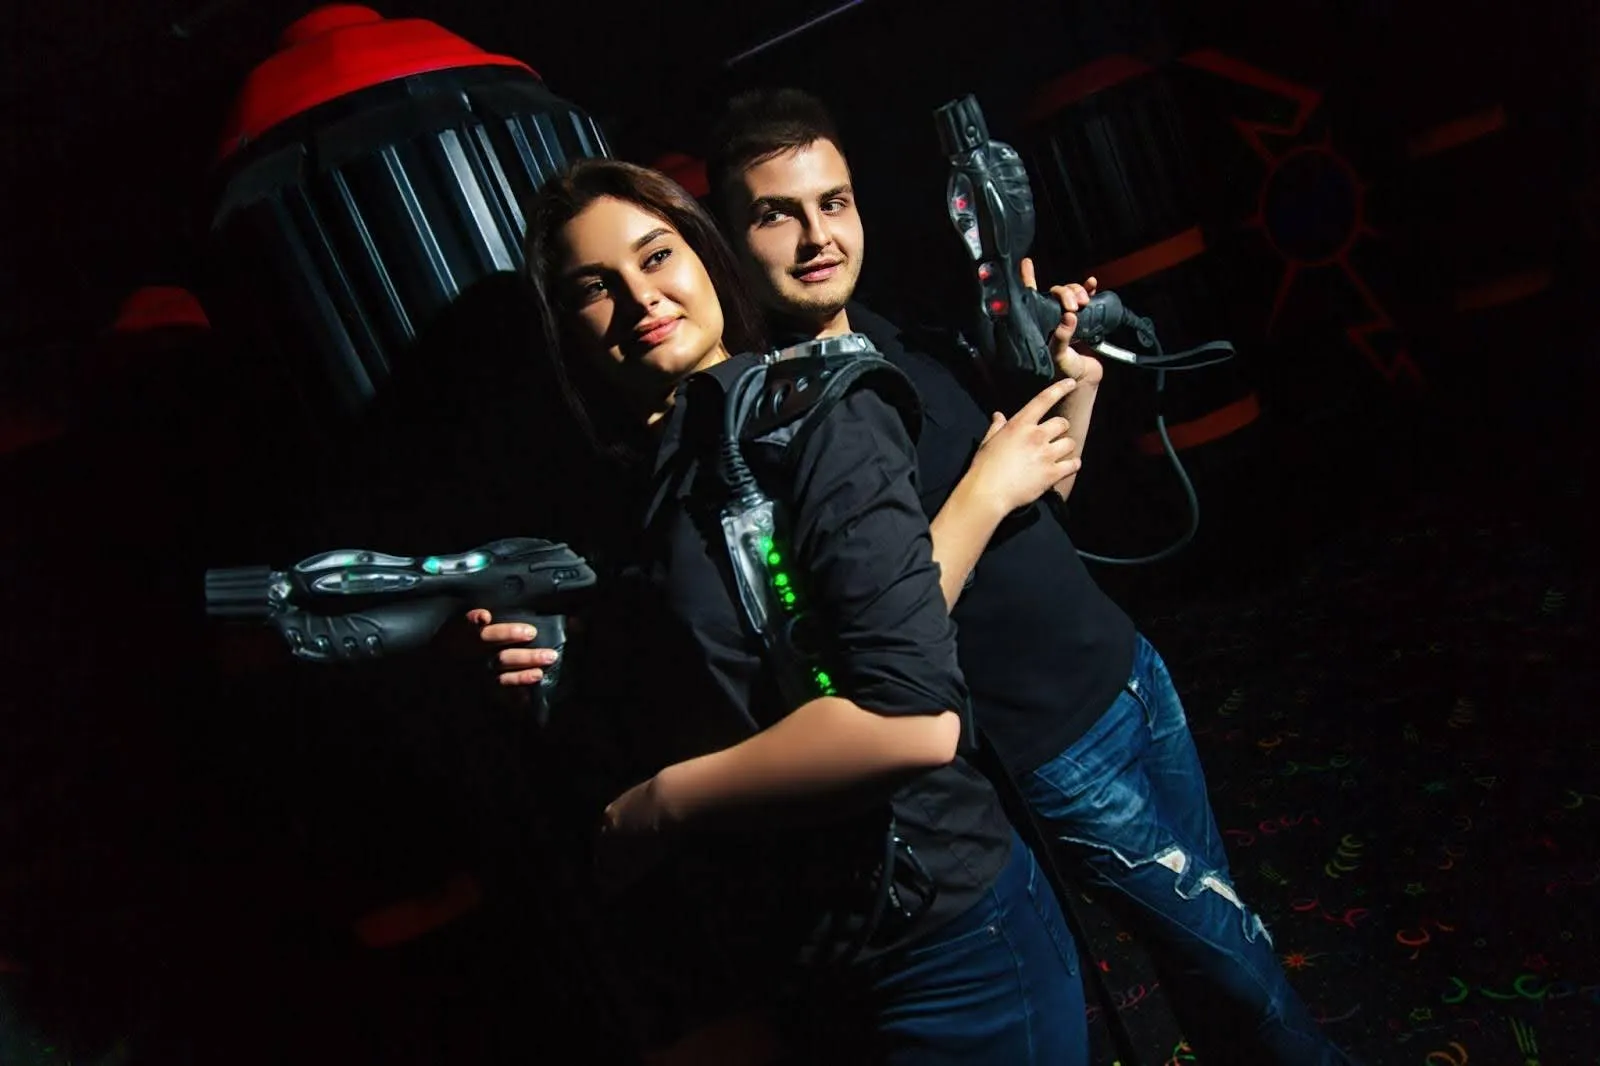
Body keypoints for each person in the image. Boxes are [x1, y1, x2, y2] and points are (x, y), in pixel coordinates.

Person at [670, 87, 1355, 1066]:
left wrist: (1075, 382)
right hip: (1046, 743)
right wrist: (985, 489)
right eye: (776, 212)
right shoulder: (776, 419)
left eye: (835, 202)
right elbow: (874, 644)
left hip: (1125, 672)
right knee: (1238, 967)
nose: (818, 235)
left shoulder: (890, 332)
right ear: (730, 241)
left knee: (1223, 945)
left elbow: (1045, 491)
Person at [472, 158, 1088, 1066]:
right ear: (568, 330)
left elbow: (911, 722)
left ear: (708, 261)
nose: (640, 296)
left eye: (656, 256)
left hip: (941, 948)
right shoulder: (641, 486)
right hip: (803, 954)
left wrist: (659, 805)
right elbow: (732, 696)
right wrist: (556, 684)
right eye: (594, 288)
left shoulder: (817, 416)